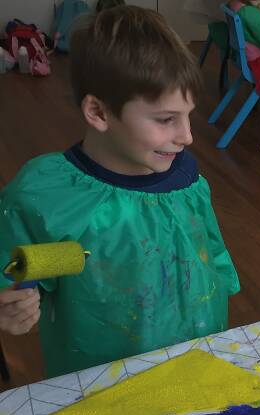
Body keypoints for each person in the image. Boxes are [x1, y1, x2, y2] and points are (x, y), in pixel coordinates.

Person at [0, 6, 239, 377]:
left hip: (196, 356)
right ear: (98, 111)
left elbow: (208, 246)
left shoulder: (186, 177)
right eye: (166, 119)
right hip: (100, 378)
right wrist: (12, 307)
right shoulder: (46, 194)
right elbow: (12, 273)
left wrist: (222, 284)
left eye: (187, 115)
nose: (187, 136)